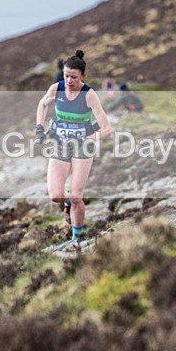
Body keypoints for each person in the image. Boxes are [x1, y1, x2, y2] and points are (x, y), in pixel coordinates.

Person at [36, 49, 113, 245]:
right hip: (60, 145)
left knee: (77, 196)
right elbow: (42, 104)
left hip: (82, 149)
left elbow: (107, 129)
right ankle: (67, 202)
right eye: (66, 76)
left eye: (74, 77)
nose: (69, 81)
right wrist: (39, 127)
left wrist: (91, 138)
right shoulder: (57, 89)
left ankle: (77, 238)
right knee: (55, 195)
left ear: (83, 76)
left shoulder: (89, 95)